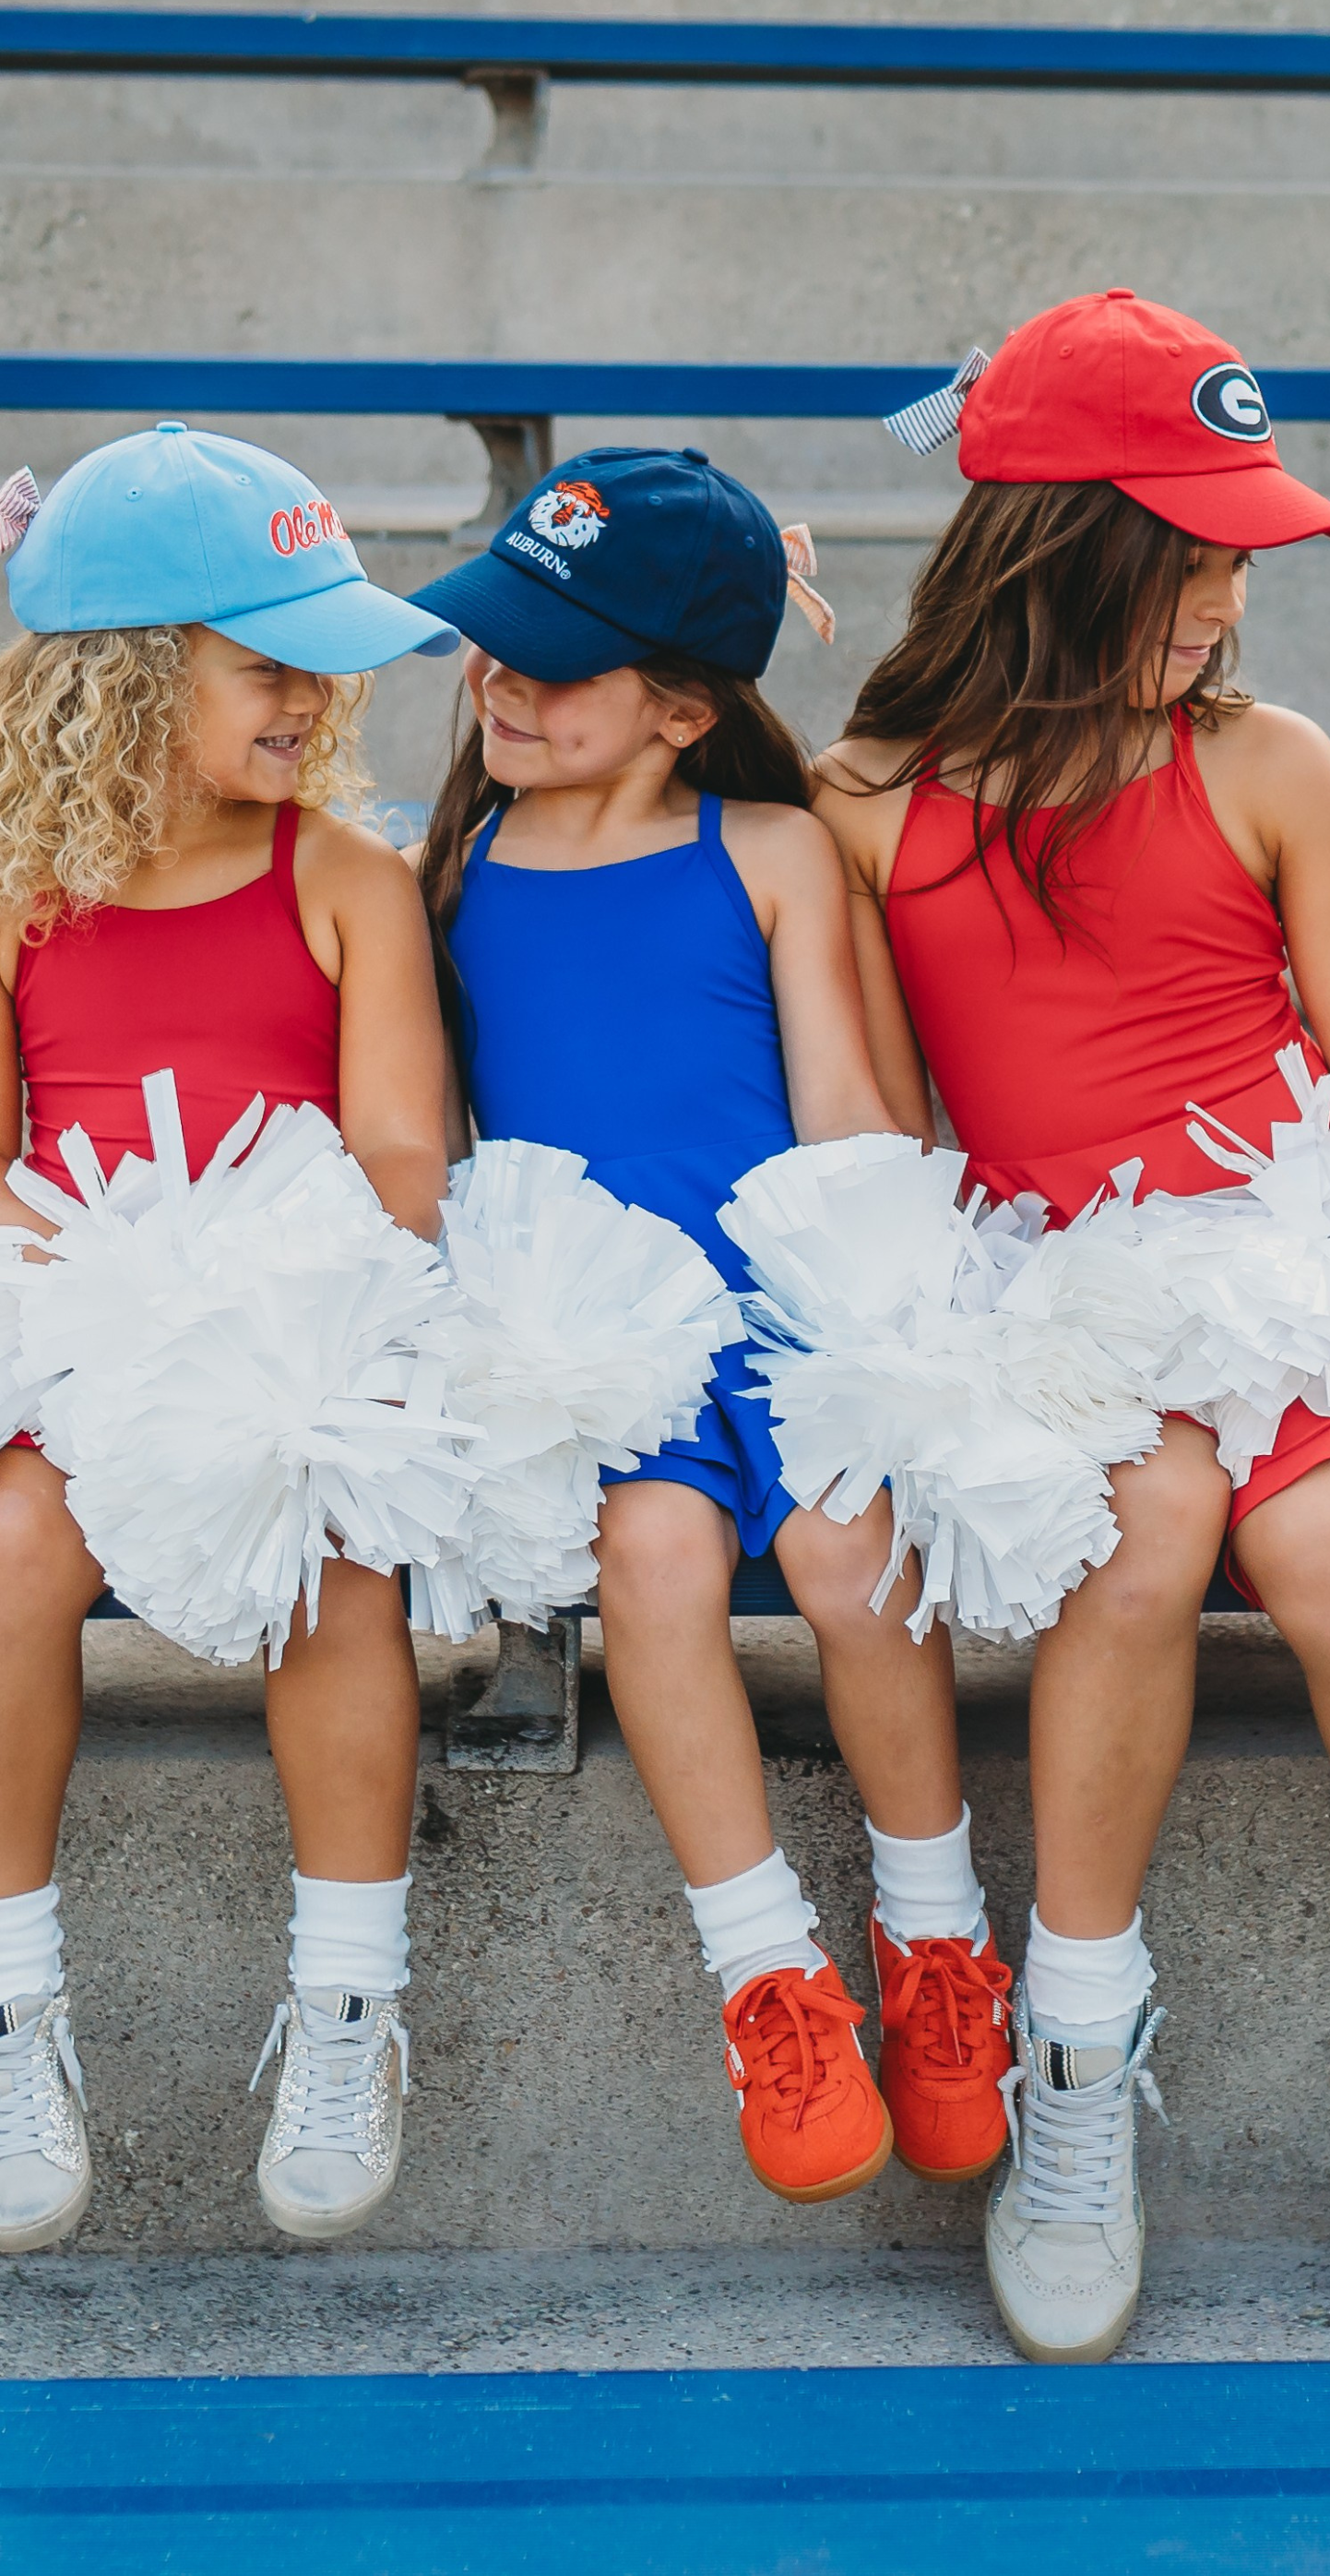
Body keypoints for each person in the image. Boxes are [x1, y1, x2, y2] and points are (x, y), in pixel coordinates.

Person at [814, 288, 1330, 2365]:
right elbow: (890, 1136)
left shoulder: (1268, 766)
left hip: (1322, 1262)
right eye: (1199, 547)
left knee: (1314, 1537)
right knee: (1140, 1534)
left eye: (1243, 554)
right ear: (1065, 544)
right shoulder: (874, 800)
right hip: (1070, 1307)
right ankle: (1073, 2060)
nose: (1230, 593)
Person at [410, 447, 1013, 2214]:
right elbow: (449, 1146)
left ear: (682, 708)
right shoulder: (448, 871)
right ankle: (770, 1979)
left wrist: (885, 1342)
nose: (502, 680)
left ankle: (934, 1946)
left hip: (785, 1303)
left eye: (553, 658)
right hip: (600, 1337)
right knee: (655, 1569)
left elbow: (847, 1117)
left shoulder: (768, 852)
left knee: (843, 1548)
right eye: (492, 643)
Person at [0, 424, 459, 2252]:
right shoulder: (7, 892)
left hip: (290, 1297)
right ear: (126, 680)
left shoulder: (344, 879)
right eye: (266, 661)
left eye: (319, 661)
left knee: (339, 1553)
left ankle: (350, 1998)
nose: (312, 695)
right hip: (73, 1298)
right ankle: (1, 2005)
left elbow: (397, 1150)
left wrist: (264, 1288)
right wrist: (90, 1274)